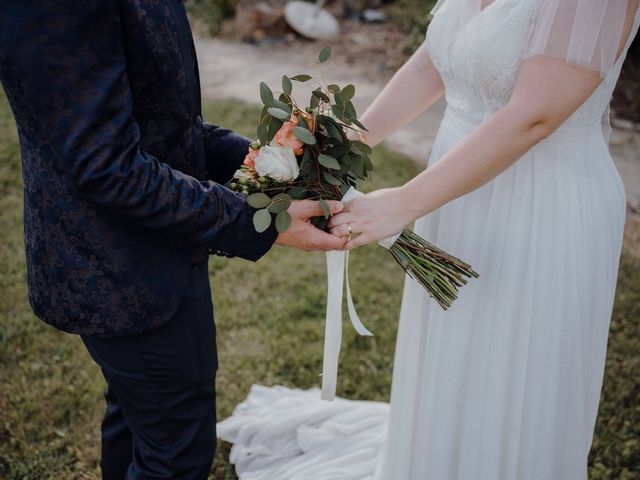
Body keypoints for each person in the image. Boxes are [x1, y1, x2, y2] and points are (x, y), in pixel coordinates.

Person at [218, 1, 640, 479]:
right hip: (455, 192)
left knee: (517, 372)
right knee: (455, 359)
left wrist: (404, 203)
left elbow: (534, 117)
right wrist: (335, 149)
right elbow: (433, 64)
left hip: (540, 203)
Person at [0, 1, 345, 479]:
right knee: (175, 452)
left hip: (159, 246)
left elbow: (160, 121)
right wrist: (264, 222)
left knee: (142, 418)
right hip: (117, 266)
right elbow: (107, 166)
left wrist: (271, 165)